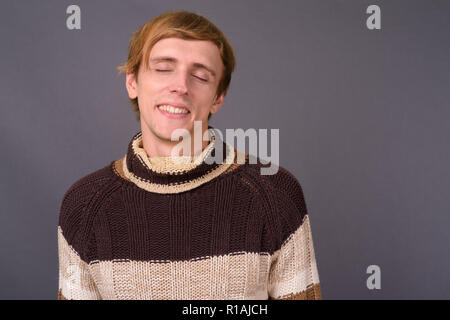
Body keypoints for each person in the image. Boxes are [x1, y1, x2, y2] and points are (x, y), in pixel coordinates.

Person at [57, 10, 322, 300]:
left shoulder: (275, 193)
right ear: (132, 82)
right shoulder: (84, 205)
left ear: (217, 98)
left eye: (199, 76)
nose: (181, 86)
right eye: (163, 68)